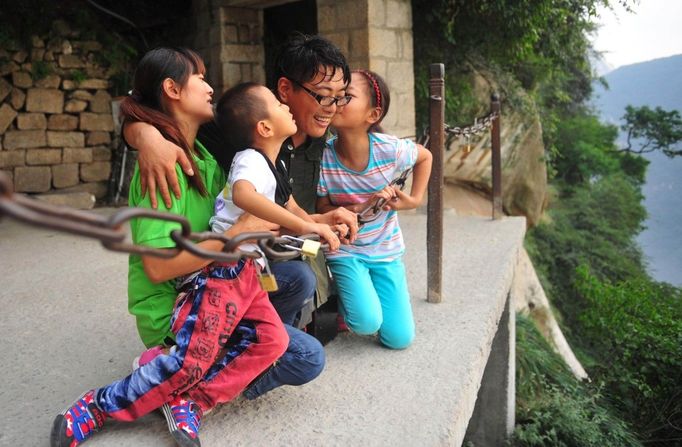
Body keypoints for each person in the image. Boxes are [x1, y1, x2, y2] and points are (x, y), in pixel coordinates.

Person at [50, 48, 320, 447]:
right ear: (173, 89)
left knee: (283, 318)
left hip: (225, 277)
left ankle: (190, 394)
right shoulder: (161, 171)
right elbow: (160, 268)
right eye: (200, 78)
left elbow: (255, 210)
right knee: (303, 357)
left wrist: (315, 226)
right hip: (183, 295)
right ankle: (98, 405)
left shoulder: (206, 157)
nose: (212, 87)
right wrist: (236, 235)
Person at [125, 34, 358, 322]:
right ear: (284, 91)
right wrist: (146, 136)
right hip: (208, 281)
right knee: (305, 356)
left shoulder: (211, 157)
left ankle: (256, 337)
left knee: (300, 294)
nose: (332, 106)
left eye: (340, 97)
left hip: (250, 261)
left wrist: (323, 220)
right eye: (323, 95)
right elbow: (145, 108)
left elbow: (287, 207)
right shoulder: (233, 136)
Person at [316, 70, 433, 349]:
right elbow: (322, 206)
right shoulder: (322, 156)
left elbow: (425, 156)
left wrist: (415, 199)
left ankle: (363, 294)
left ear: (373, 114)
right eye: (334, 95)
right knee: (366, 322)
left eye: (347, 96)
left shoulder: (389, 150)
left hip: (386, 249)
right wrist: (362, 206)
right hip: (346, 250)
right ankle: (344, 298)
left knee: (399, 339)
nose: (337, 101)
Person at [211, 82, 342, 254]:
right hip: (230, 261)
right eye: (278, 105)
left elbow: (292, 207)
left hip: (251, 257)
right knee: (300, 276)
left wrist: (317, 229)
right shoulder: (251, 159)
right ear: (265, 128)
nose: (286, 107)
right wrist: (304, 227)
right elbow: (242, 195)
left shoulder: (276, 164)